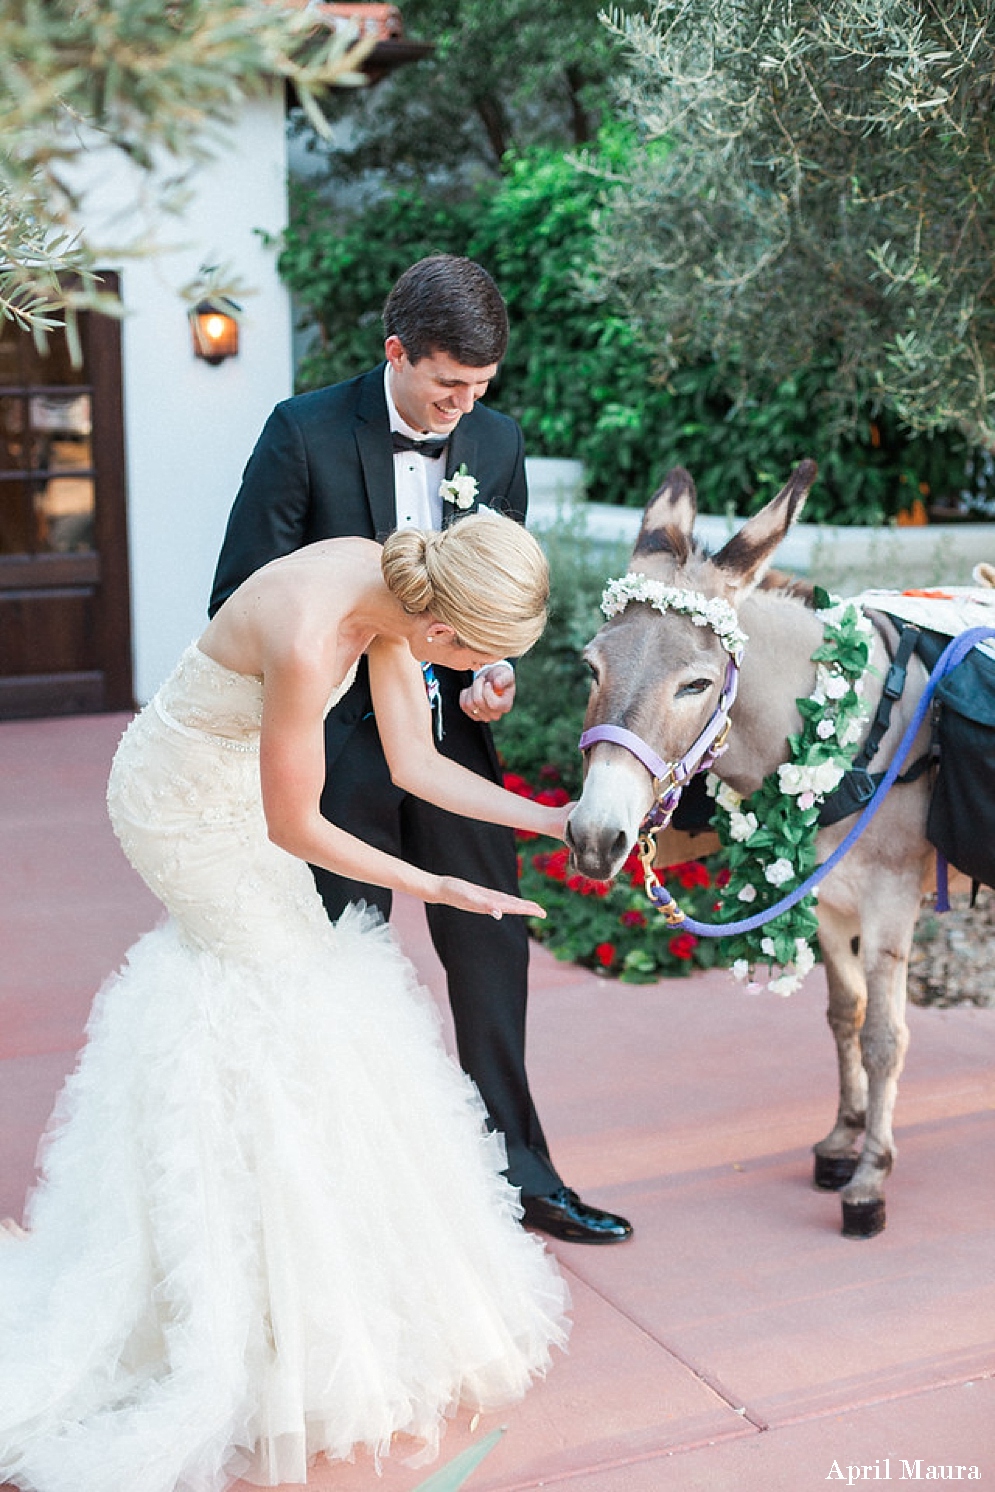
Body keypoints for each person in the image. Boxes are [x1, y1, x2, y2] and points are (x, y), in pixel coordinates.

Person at [0, 514, 572, 1492]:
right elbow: (294, 820)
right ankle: (228, 1294)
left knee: (301, 993)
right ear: (441, 633)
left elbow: (416, 765)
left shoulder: (398, 594)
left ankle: (297, 1280)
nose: (478, 672)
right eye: (481, 656)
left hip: (240, 787)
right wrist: (440, 886)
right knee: (279, 993)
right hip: (180, 802)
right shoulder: (315, 634)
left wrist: (553, 818)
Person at [210, 254, 632, 1246]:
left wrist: (489, 674)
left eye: (479, 389)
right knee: (343, 971)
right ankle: (345, 1193)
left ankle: (519, 1173)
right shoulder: (301, 431)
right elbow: (238, 596)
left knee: (492, 951)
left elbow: (490, 603)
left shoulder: (496, 438)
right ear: (394, 351)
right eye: (446, 385)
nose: (461, 407)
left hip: (450, 747)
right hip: (325, 758)